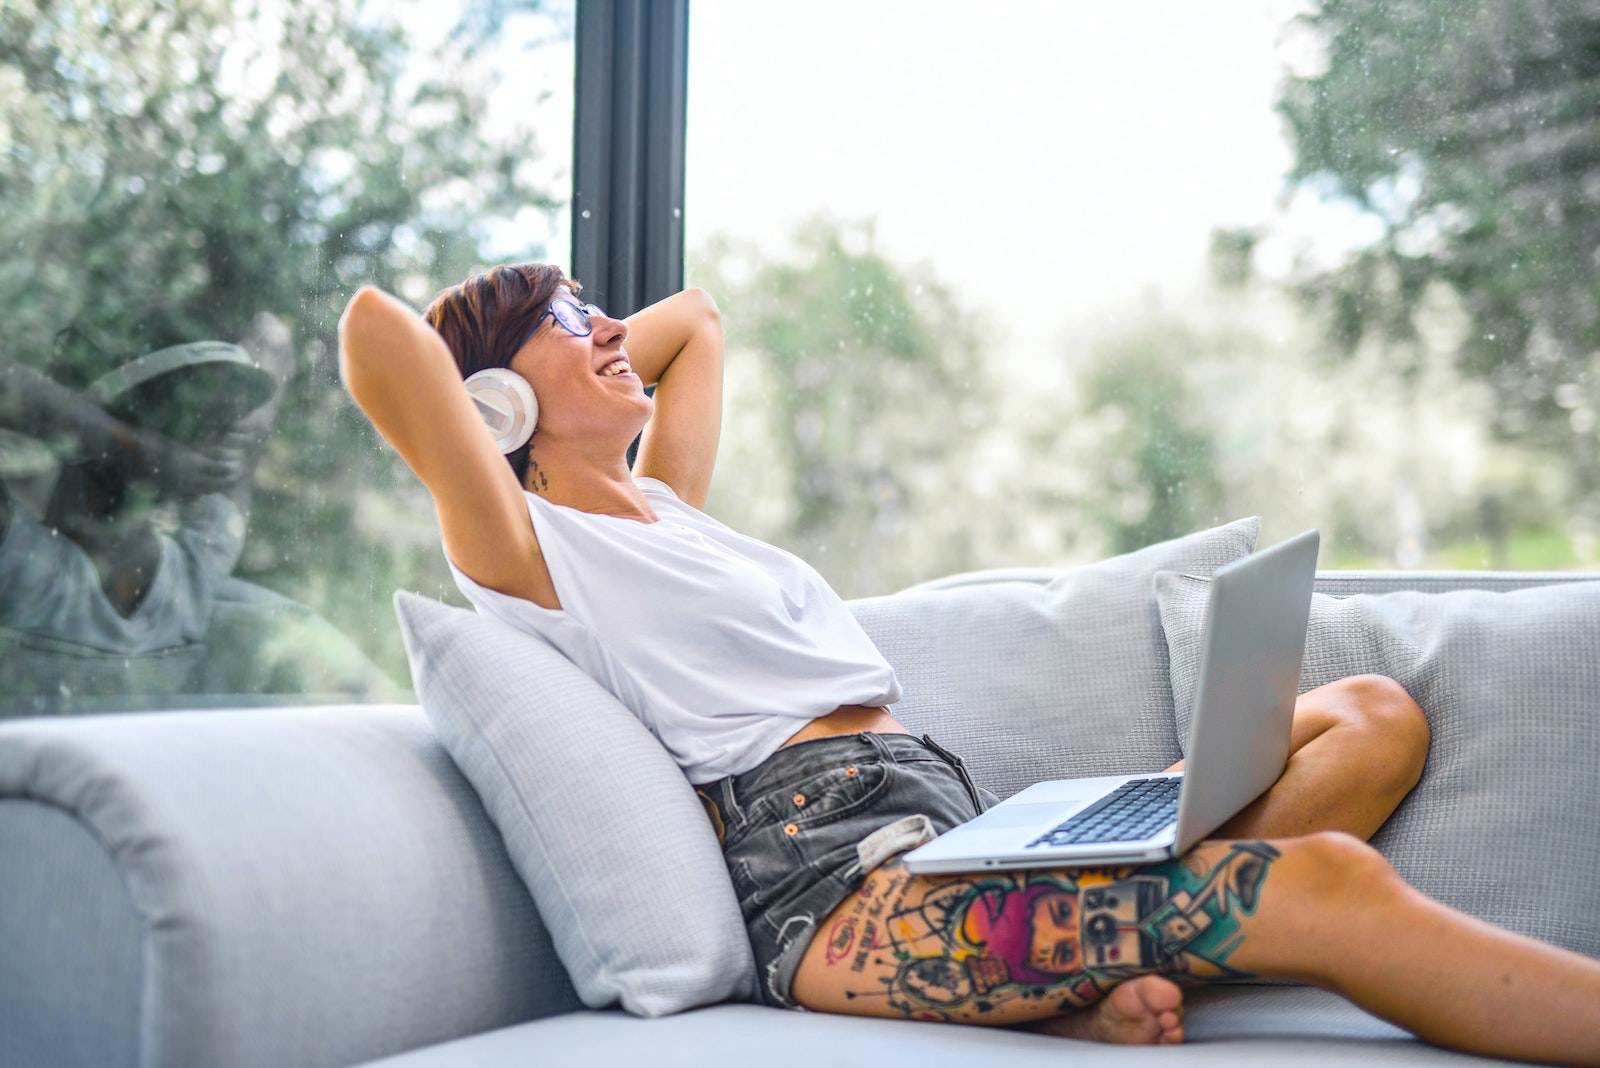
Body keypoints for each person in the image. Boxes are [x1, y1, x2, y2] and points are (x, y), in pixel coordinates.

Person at [339, 263, 1600, 1065]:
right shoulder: (528, 550)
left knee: (1369, 717)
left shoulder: (665, 512)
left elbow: (698, 323)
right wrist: (491, 390)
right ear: (496, 401)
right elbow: (374, 335)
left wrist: (573, 340)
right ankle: (1081, 978)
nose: (612, 326)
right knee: (1321, 882)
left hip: (952, 826)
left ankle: (1087, 982)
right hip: (833, 887)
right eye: (569, 320)